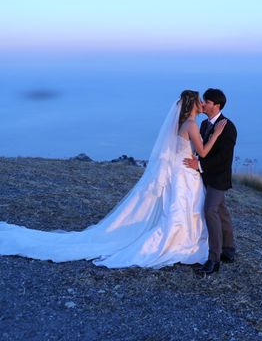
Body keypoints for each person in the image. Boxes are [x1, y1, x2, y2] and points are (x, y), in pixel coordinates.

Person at [0, 90, 225, 269]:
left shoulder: (180, 123)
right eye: (200, 101)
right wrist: (215, 135)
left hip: (180, 171)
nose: (203, 104)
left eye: (205, 101)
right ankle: (181, 242)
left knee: (180, 207)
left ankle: (187, 240)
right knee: (185, 207)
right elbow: (203, 152)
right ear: (193, 104)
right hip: (184, 173)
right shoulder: (192, 124)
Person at [184, 88, 237, 275]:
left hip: (218, 178)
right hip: (205, 176)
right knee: (221, 210)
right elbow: (203, 148)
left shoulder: (228, 127)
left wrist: (199, 164)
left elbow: (224, 158)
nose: (203, 104)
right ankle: (229, 249)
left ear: (217, 105)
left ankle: (214, 259)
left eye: (206, 101)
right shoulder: (205, 125)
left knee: (210, 210)